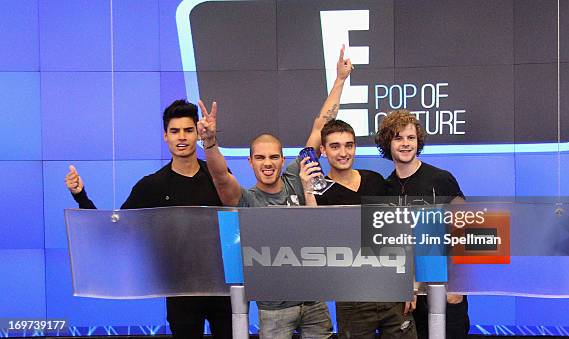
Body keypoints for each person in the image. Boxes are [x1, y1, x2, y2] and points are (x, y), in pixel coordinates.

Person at [196, 46, 353, 339]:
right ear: (251, 162)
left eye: (273, 157)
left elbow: (322, 123)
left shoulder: (297, 175)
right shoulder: (245, 199)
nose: (267, 163)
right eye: (260, 158)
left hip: (314, 301)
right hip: (274, 309)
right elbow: (219, 176)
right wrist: (210, 142)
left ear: (283, 159)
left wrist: (340, 80)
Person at [64, 99, 232, 339]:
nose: (181, 137)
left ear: (198, 133)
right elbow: (115, 228)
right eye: (175, 131)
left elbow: (240, 217)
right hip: (179, 292)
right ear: (165, 136)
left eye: (188, 130)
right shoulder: (151, 185)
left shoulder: (219, 177)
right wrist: (81, 196)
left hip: (224, 289)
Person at [315, 119, 418, 339]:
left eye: (349, 145)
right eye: (335, 146)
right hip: (352, 296)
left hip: (392, 290)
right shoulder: (318, 192)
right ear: (323, 151)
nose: (343, 152)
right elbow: (314, 236)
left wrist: (408, 284)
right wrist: (308, 190)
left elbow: (398, 233)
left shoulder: (375, 181)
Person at [375, 110, 470, 339]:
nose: (406, 144)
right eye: (398, 138)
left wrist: (458, 285)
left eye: (411, 138)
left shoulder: (441, 179)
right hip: (409, 296)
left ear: (419, 142)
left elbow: (466, 229)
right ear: (388, 143)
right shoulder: (386, 187)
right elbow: (391, 244)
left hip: (445, 289)